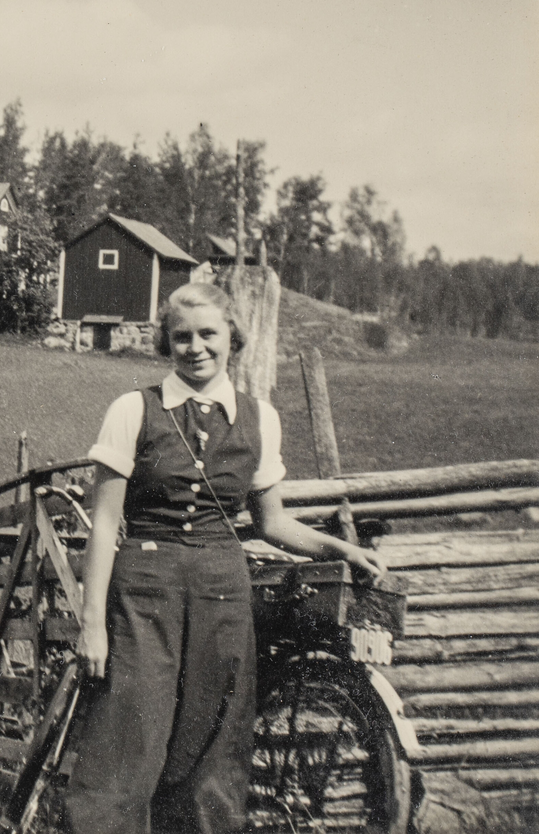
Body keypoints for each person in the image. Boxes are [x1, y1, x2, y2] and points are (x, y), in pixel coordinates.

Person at [64, 282, 386, 834]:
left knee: (212, 740)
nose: (196, 347)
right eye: (182, 336)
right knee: (130, 735)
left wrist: (340, 548)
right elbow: (107, 525)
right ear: (166, 341)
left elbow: (272, 523)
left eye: (208, 334)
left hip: (222, 594)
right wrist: (92, 624)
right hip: (145, 591)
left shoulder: (260, 419)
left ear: (231, 338)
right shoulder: (132, 410)